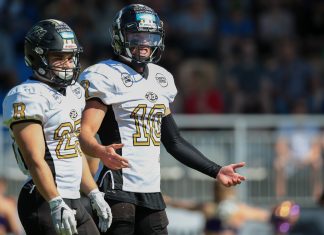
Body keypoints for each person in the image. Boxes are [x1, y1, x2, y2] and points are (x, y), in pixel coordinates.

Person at [78, 4, 246, 235]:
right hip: (116, 188)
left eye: (150, 36)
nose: (145, 42)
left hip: (151, 190)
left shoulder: (161, 78)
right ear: (119, 36)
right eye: (136, 35)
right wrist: (100, 151)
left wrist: (216, 171)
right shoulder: (103, 75)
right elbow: (84, 132)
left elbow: (174, 141)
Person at [2, 19, 112, 235]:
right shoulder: (26, 95)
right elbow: (35, 158)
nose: (67, 64)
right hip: (44, 198)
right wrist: (54, 201)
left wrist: (93, 193)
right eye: (58, 57)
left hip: (73, 197)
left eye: (70, 57)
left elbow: (72, 150)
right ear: (37, 56)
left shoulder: (74, 92)